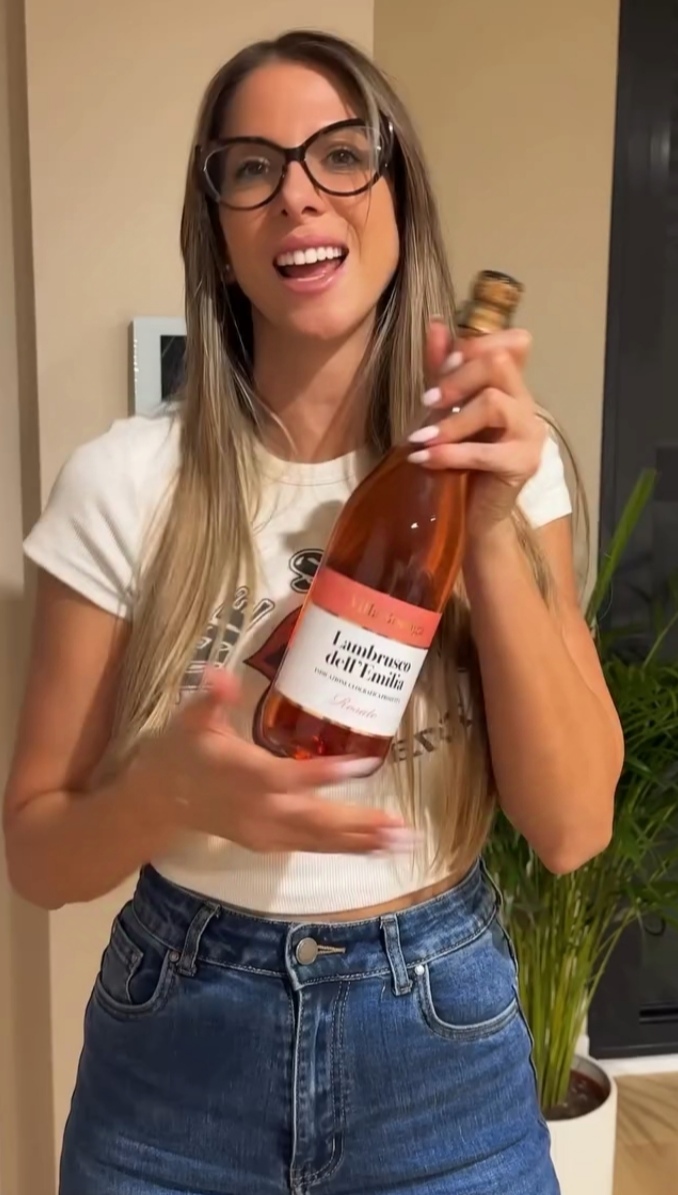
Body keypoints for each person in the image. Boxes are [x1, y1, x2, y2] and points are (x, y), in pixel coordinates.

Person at [3, 28, 623, 1195]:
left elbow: (574, 825)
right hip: (175, 1052)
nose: (296, 193)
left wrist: (486, 522)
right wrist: (166, 792)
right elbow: (35, 852)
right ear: (217, 229)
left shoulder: (511, 463)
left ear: (399, 191)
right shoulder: (122, 482)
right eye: (251, 167)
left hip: (441, 1053)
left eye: (340, 153)